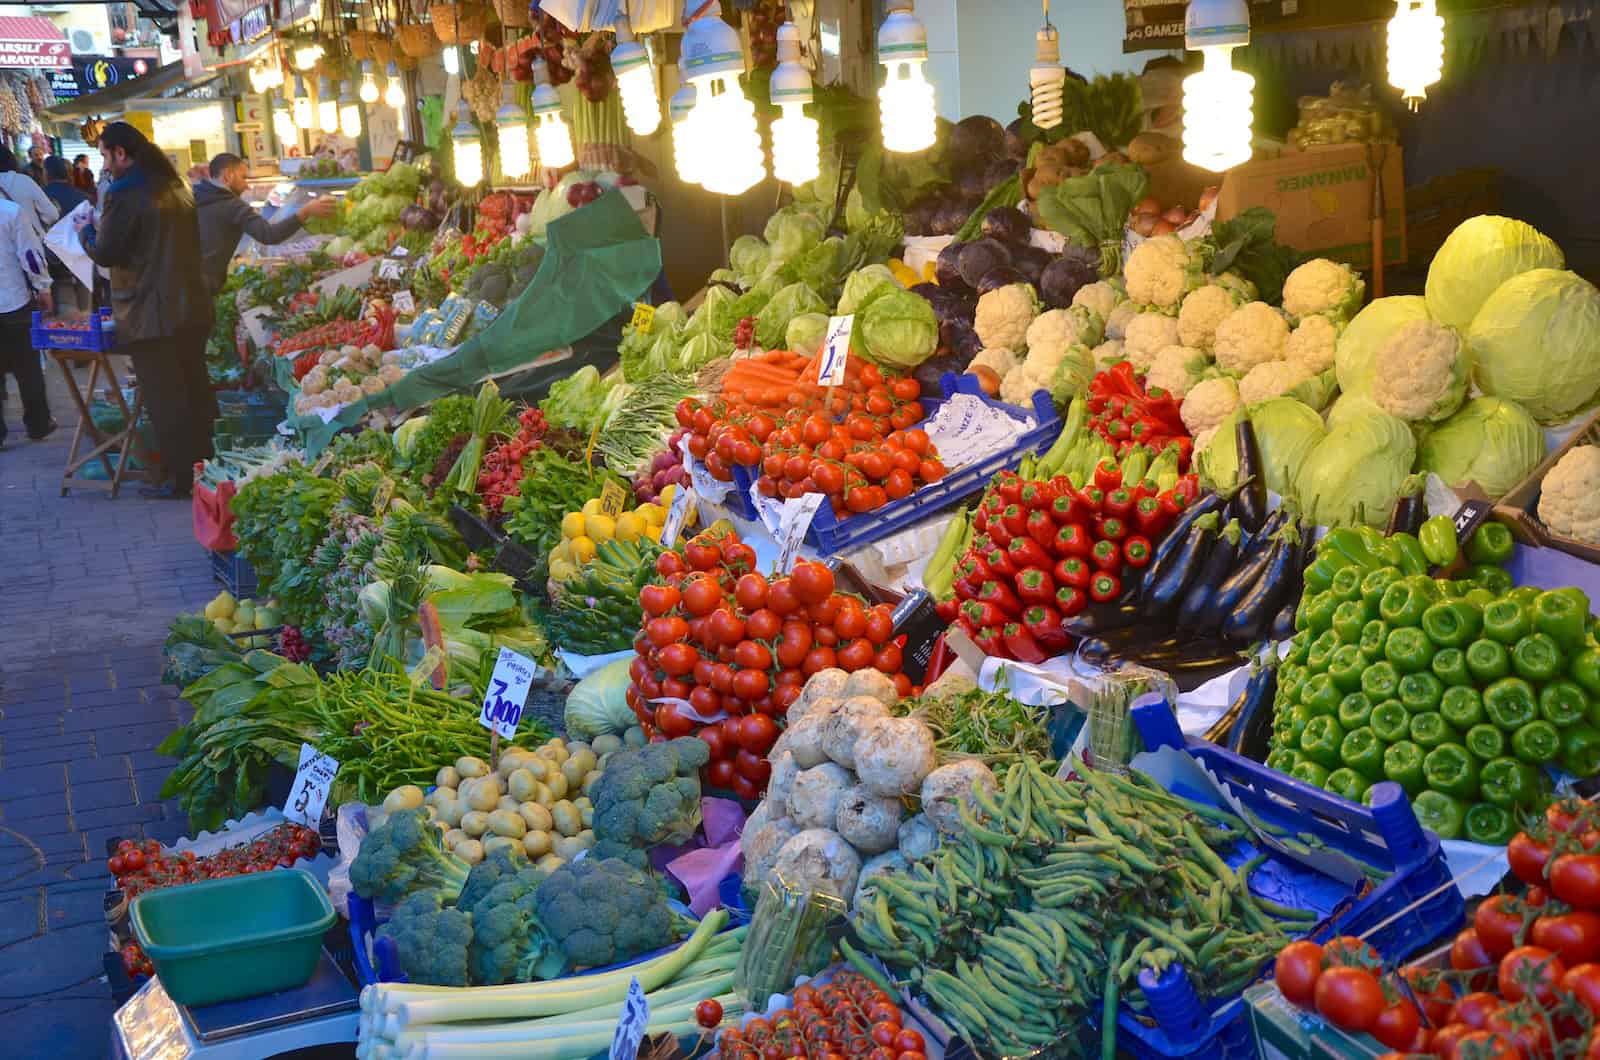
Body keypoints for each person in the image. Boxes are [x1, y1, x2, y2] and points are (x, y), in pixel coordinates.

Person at [79, 121, 214, 499]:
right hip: (192, 306)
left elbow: (107, 252)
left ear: (121, 153)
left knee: (165, 398)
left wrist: (85, 233)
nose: (104, 164)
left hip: (152, 312)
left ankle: (182, 479)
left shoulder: (124, 191)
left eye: (105, 155)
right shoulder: (177, 185)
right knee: (194, 390)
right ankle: (206, 468)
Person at [195, 153, 335, 295]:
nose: (247, 186)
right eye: (243, 177)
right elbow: (269, 235)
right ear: (228, 176)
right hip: (205, 286)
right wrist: (306, 211)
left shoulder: (196, 197)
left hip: (185, 282)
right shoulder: (230, 205)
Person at [0, 190, 54, 449]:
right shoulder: (11, 211)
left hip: (14, 300)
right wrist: (43, 287)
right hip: (15, 301)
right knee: (28, 368)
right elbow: (30, 254)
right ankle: (38, 424)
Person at [41, 157, 89, 313]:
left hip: (55, 266)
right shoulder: (82, 196)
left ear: (46, 173)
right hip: (82, 262)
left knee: (65, 321)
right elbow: (89, 232)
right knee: (86, 316)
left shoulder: (41, 197)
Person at [0, 145, 59, 238]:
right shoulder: (24, 178)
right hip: (31, 240)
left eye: (40, 154)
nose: (39, 157)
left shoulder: (41, 170)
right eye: (36, 155)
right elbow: (52, 214)